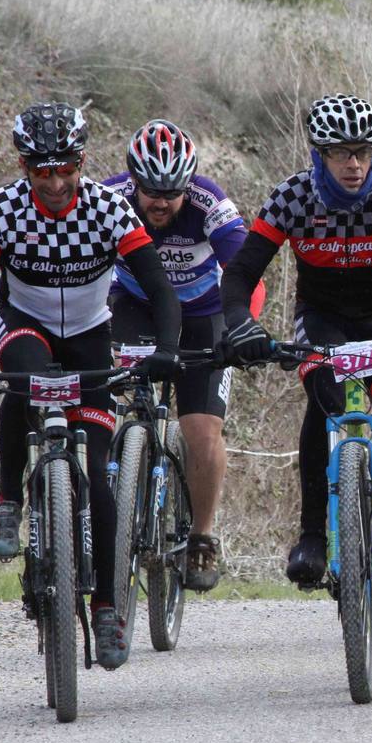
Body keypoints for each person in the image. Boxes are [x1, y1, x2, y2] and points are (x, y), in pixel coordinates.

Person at [0, 102, 181, 667]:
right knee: (27, 379)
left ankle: (108, 610)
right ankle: (10, 500)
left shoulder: (110, 210)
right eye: (43, 171)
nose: (57, 182)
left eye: (66, 167)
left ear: (82, 161)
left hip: (92, 336)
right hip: (24, 325)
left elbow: (160, 290)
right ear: (24, 167)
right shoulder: (0, 209)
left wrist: (166, 350)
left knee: (97, 478)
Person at [219, 94, 372, 607]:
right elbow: (242, 273)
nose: (354, 164)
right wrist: (241, 324)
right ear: (319, 156)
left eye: (362, 151)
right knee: (325, 403)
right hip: (323, 322)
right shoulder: (291, 198)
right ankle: (312, 533)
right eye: (340, 153)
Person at [103, 119, 258, 592]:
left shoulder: (210, 204)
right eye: (150, 190)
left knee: (201, 429)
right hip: (133, 307)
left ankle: (202, 536)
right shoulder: (107, 198)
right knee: (99, 406)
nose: (161, 201)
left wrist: (244, 326)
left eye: (172, 191)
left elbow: (247, 270)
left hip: (202, 317)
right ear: (133, 179)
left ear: (188, 184)